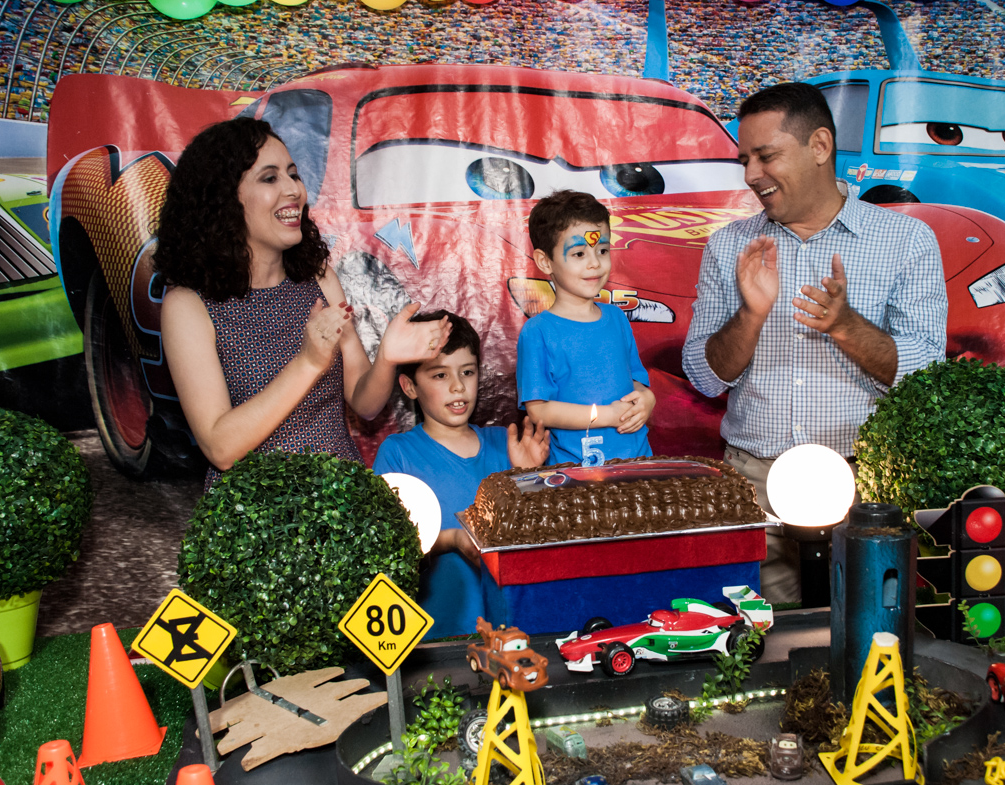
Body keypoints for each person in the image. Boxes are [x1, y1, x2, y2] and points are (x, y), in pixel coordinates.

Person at [681, 83, 947, 603]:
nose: (751, 174)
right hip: (754, 488)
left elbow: (925, 376)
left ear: (820, 147)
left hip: (867, 485)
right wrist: (751, 315)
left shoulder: (906, 241)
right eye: (744, 159)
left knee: (868, 634)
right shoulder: (729, 245)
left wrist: (847, 326)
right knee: (761, 648)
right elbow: (705, 374)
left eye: (766, 155)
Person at [155, 118, 450, 489]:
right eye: (270, 178)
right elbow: (220, 447)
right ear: (224, 198)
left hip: (345, 504)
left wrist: (387, 357)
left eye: (293, 174)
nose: (293, 189)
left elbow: (366, 403)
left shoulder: (318, 276)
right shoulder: (188, 305)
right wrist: (308, 362)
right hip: (257, 522)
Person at [372, 311, 550, 637]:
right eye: (440, 376)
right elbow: (385, 545)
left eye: (467, 372)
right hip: (439, 635)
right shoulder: (398, 453)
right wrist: (452, 540)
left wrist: (528, 476)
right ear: (409, 386)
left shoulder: (506, 445)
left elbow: (538, 537)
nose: (458, 386)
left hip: (513, 631)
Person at [517, 190, 656, 466]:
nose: (595, 262)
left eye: (602, 250)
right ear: (545, 261)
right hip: (578, 475)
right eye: (579, 253)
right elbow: (539, 411)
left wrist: (647, 399)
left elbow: (637, 383)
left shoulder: (617, 318)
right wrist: (607, 415)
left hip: (637, 464)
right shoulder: (538, 332)